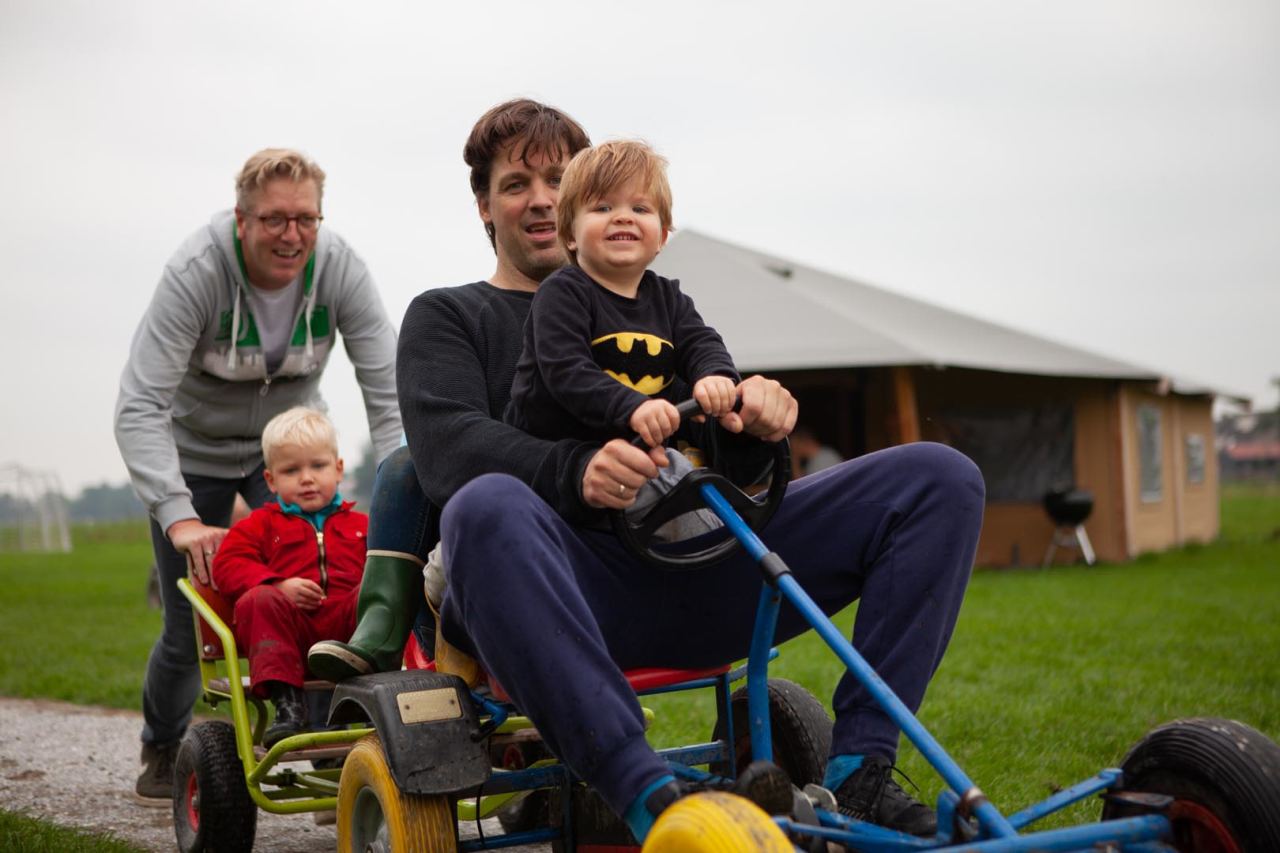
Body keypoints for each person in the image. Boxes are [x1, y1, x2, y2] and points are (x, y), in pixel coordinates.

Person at [319, 99, 984, 839]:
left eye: (557, 178)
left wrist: (755, 424)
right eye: (516, 184)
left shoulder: (663, 309)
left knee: (938, 477)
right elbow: (449, 453)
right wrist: (577, 470)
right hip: (563, 585)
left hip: (702, 562)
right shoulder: (448, 315)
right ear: (485, 204)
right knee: (483, 503)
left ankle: (859, 776)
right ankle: (655, 802)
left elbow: (706, 442)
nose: (540, 198)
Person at [114, 148, 401, 802]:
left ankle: (336, 714)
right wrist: (181, 517)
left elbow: (388, 393)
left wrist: (396, 495)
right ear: (241, 218)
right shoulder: (196, 272)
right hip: (195, 453)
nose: (292, 235)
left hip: (286, 450)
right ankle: (163, 742)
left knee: (351, 589)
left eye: (306, 218)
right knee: (193, 626)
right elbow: (139, 404)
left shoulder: (340, 269)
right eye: (274, 219)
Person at [503, 139, 737, 537]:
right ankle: (450, 560)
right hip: (558, 472)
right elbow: (566, 370)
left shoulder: (669, 298)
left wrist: (715, 376)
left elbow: (701, 342)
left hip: (635, 464)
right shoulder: (563, 293)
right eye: (603, 208)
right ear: (570, 236)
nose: (622, 218)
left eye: (639, 208)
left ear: (662, 235)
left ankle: (712, 563)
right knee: (509, 519)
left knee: (684, 482)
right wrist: (634, 407)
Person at [212, 408, 366, 746]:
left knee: (380, 587)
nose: (306, 478)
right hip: (292, 636)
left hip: (351, 636)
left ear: (338, 469)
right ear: (270, 480)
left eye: (318, 466)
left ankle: (374, 701)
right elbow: (227, 564)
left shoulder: (362, 526)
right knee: (258, 598)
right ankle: (289, 706)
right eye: (291, 470)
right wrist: (277, 584)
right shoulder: (261, 525)